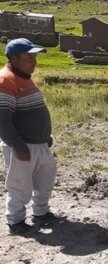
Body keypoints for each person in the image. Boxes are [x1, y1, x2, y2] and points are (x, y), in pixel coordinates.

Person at [0, 38, 57, 235]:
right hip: (22, 146)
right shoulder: (5, 81)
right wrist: (18, 146)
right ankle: (16, 221)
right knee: (20, 185)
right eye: (28, 57)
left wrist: (45, 136)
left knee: (45, 179)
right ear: (14, 58)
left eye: (35, 57)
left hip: (39, 143)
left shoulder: (24, 76)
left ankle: (41, 212)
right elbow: (3, 121)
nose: (34, 61)